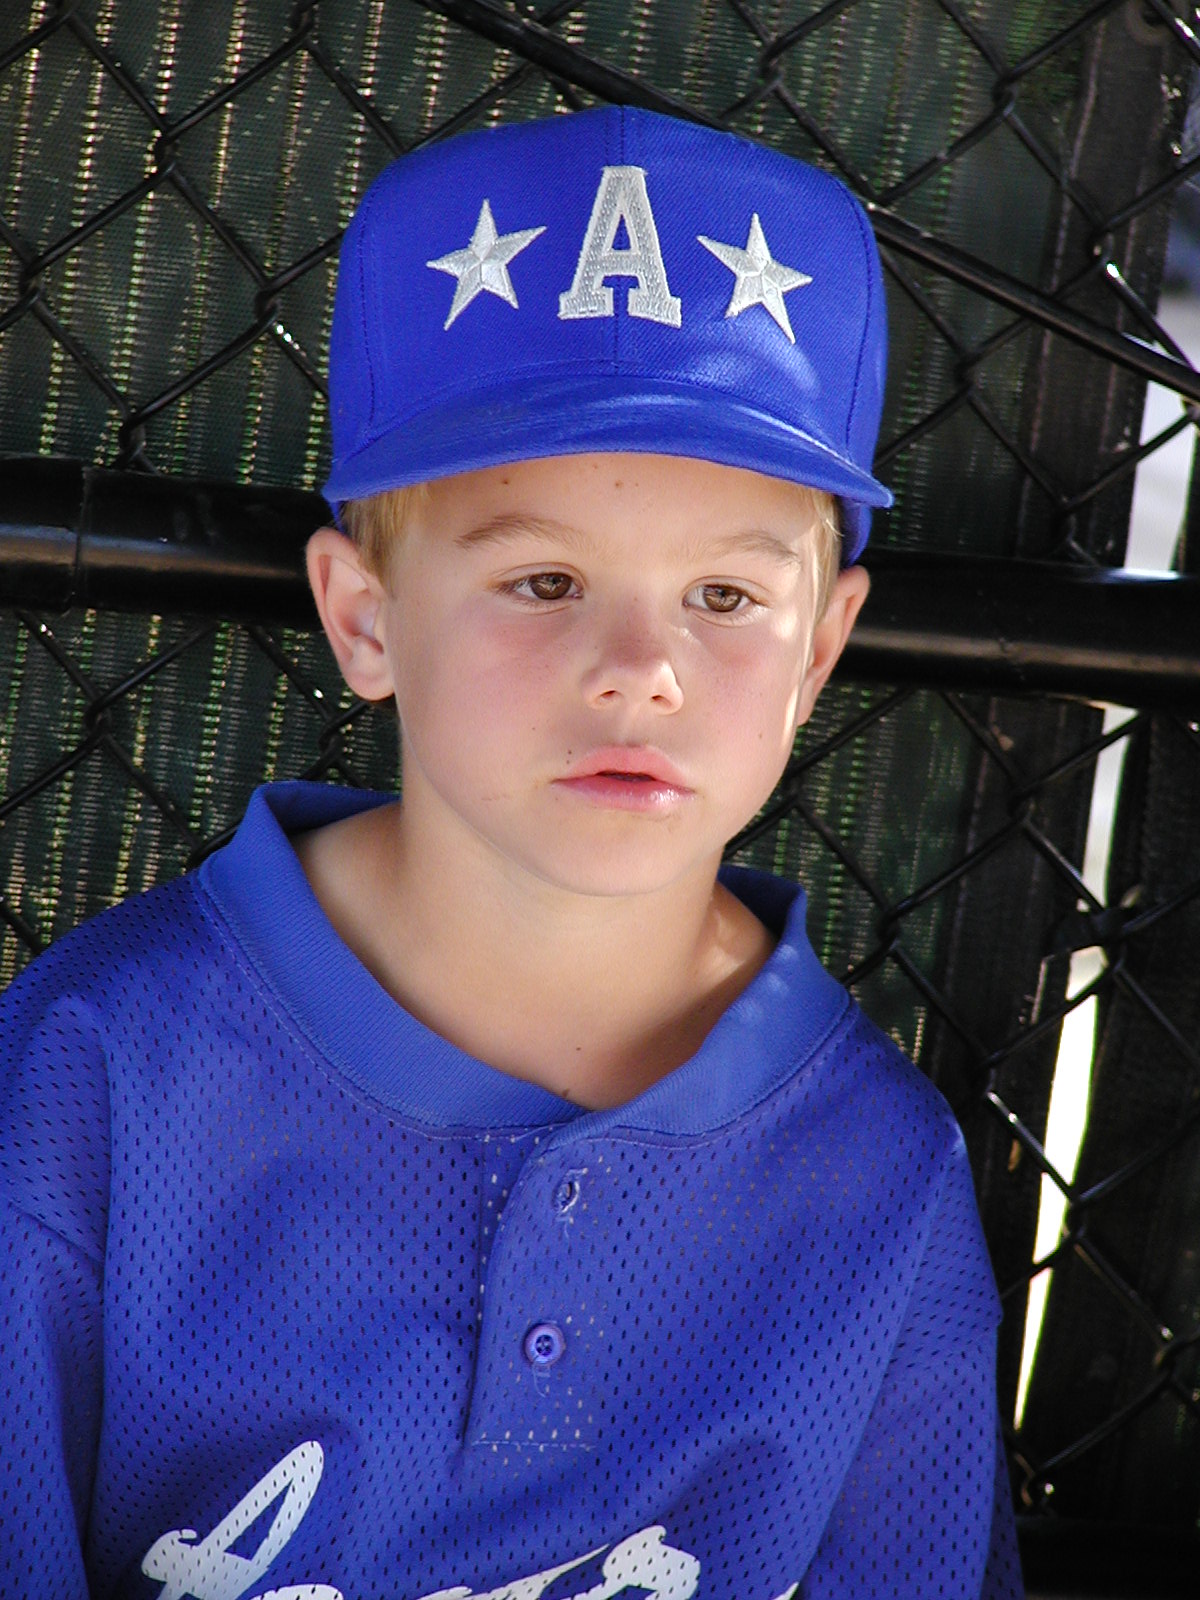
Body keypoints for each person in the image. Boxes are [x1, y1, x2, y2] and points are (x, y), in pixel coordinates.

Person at [0, 105, 1022, 1598]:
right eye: (544, 580)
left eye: (726, 598)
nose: (641, 671)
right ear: (364, 619)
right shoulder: (98, 1064)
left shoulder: (881, 1173)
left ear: (820, 650)